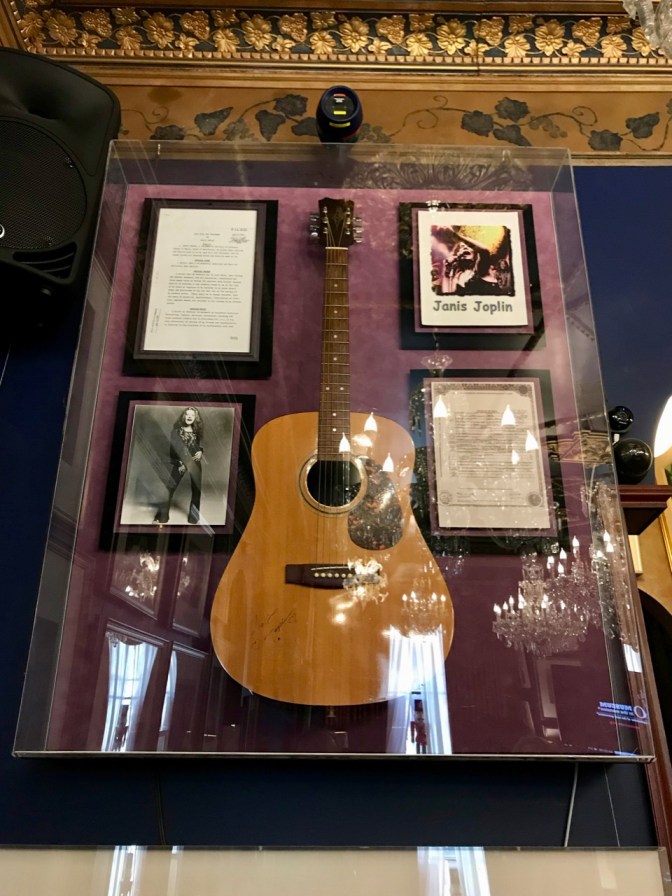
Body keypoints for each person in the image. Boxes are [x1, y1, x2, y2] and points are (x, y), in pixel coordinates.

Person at [154, 406, 204, 524]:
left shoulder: (196, 432)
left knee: (197, 491)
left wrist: (201, 451)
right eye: (187, 415)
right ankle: (162, 516)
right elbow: (173, 451)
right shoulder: (176, 432)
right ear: (184, 416)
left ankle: (193, 518)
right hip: (180, 463)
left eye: (192, 415)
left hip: (195, 464)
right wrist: (182, 463)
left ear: (195, 418)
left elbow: (196, 447)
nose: (189, 417)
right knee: (169, 489)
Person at [430, 224, 512, 296]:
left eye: (493, 268)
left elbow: (484, 251)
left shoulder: (483, 273)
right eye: (495, 266)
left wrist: (447, 273)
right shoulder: (487, 273)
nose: (491, 266)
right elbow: (484, 251)